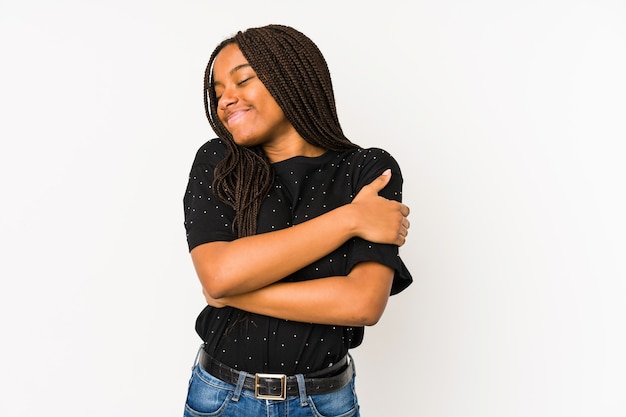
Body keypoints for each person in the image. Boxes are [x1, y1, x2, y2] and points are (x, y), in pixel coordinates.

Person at [182, 24, 413, 417]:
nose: (225, 100)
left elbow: (362, 303)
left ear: (290, 76)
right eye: (218, 91)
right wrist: (351, 219)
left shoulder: (367, 171)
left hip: (323, 402)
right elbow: (218, 274)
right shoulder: (218, 164)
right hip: (221, 398)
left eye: (242, 81)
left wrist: (233, 293)